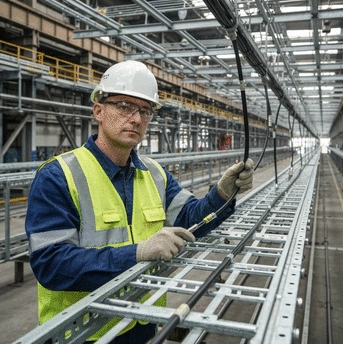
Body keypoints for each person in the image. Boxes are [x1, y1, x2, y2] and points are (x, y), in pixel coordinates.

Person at [25, 60, 254, 344]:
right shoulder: (59, 176)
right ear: (98, 110)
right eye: (124, 106)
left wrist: (222, 194)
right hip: (81, 332)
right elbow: (51, 264)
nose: (135, 118)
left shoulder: (155, 174)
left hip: (143, 324)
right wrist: (137, 253)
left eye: (144, 111)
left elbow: (191, 218)